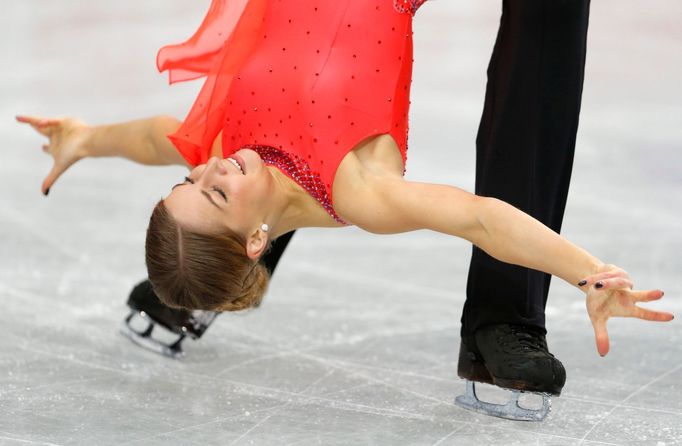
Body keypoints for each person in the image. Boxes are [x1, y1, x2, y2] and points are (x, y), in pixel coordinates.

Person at [18, 0, 672, 420]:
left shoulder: (223, 147)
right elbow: (479, 218)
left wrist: (82, 138)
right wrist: (587, 272)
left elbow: (151, 135)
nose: (212, 166)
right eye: (214, 191)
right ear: (254, 240)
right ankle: (503, 323)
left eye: (193, 178)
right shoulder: (359, 190)